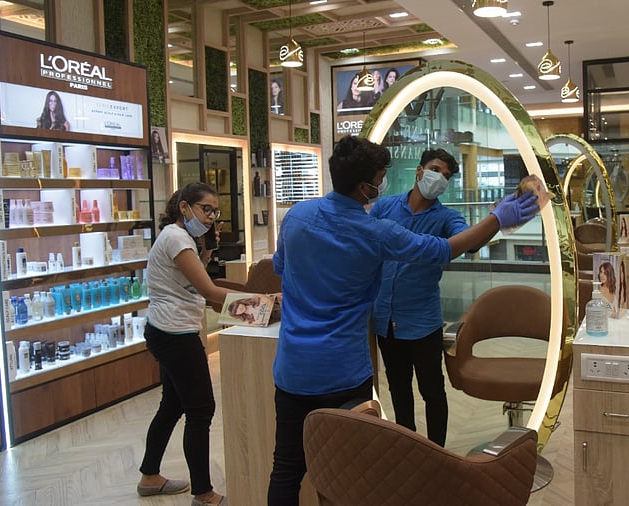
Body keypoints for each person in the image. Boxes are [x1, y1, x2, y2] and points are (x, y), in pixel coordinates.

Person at [267, 135, 539, 505]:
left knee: (286, 468)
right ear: (366, 186)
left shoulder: (297, 216)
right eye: (379, 178)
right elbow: (442, 250)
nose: (381, 185)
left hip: (293, 368)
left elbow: (280, 268)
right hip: (343, 374)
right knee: (344, 472)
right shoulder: (376, 231)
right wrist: (496, 218)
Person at [139, 182, 274, 506]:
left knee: (172, 405)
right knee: (200, 410)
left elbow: (190, 279)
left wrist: (208, 249)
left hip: (168, 329)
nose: (212, 216)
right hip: (174, 334)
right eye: (206, 209)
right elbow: (209, 291)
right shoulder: (175, 238)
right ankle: (204, 493)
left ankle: (149, 476)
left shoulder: (182, 238)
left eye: (215, 211)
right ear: (184, 207)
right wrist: (263, 302)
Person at [370, 148, 483, 447]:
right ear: (419, 171)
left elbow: (467, 243)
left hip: (423, 322)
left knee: (432, 391)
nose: (439, 179)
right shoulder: (385, 208)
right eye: (435, 170)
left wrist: (496, 220)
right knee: (398, 389)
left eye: (446, 176)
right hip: (385, 320)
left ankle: (437, 453)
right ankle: (408, 450)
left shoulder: (447, 218)